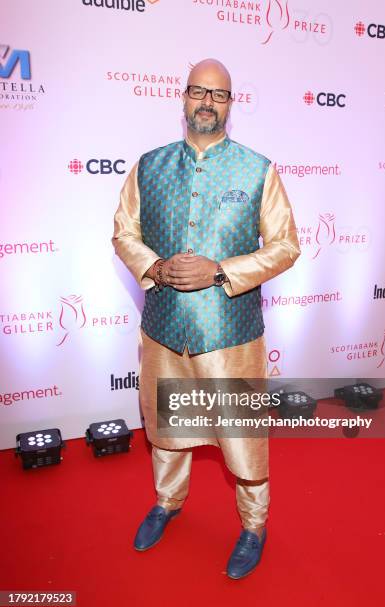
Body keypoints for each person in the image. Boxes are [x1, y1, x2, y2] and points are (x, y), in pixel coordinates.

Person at [112, 58, 301, 579]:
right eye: (198, 92)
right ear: (183, 98)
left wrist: (222, 271)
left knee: (241, 439)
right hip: (166, 329)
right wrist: (153, 265)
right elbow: (124, 232)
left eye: (218, 95)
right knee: (168, 430)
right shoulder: (148, 166)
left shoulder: (257, 170)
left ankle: (254, 526)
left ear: (231, 104)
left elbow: (286, 246)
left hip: (230, 334)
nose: (207, 103)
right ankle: (167, 502)